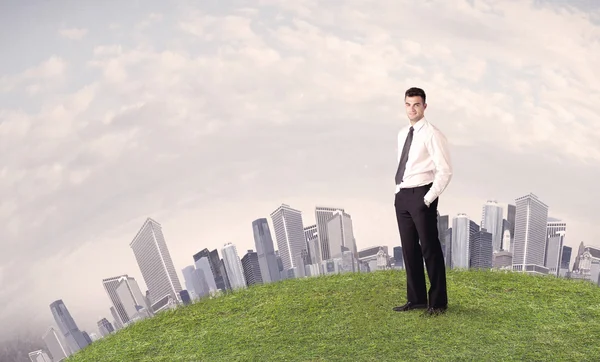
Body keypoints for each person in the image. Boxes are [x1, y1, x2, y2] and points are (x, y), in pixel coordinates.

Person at [392, 87, 452, 316]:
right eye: (408, 104)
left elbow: (445, 171)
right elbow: (404, 165)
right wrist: (398, 191)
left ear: (424, 106)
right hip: (404, 195)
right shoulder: (402, 134)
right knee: (409, 250)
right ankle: (415, 299)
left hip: (422, 195)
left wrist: (427, 199)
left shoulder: (432, 134)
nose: (412, 109)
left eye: (416, 104)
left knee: (430, 249)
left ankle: (437, 303)